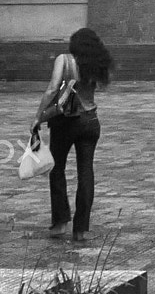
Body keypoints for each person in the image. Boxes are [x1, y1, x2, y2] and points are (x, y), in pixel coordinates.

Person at [33, 28, 112, 244]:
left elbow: (51, 89)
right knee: (86, 172)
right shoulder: (96, 64)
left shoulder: (65, 60)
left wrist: (39, 116)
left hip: (66, 121)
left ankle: (60, 223)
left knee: (57, 168)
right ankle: (81, 230)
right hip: (91, 121)